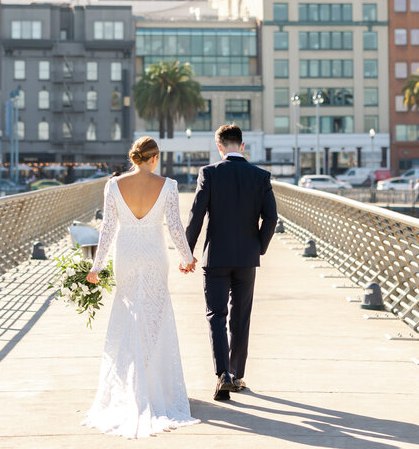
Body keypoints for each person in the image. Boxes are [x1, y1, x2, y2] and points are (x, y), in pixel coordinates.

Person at [83, 137, 198, 438]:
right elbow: (174, 226)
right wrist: (187, 258)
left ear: (134, 157)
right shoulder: (169, 186)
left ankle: (130, 387)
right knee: (155, 318)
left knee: (128, 314)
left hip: (127, 254)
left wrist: (96, 267)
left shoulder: (114, 185)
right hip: (154, 253)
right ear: (154, 157)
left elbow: (108, 228)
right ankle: (153, 385)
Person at [185, 123, 278, 401]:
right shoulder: (260, 176)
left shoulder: (209, 173)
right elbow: (271, 218)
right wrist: (258, 247)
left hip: (216, 257)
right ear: (243, 145)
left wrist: (186, 251)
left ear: (220, 146)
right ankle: (236, 375)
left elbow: (197, 214)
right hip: (247, 259)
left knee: (216, 314)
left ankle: (222, 374)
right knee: (241, 317)